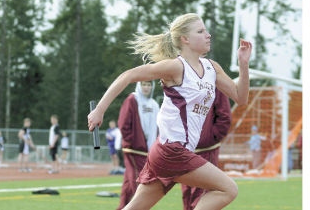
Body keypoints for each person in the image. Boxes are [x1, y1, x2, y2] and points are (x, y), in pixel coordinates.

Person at [88, 13, 252, 209]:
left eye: (206, 30)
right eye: (200, 31)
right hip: (171, 151)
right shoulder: (176, 67)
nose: (208, 35)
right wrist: (99, 109)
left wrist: (243, 64)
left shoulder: (211, 68)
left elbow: (240, 98)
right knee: (228, 189)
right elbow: (128, 75)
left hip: (169, 151)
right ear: (185, 39)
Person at [181, 88, 231, 210]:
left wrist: (210, 138)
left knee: (202, 194)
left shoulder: (215, 85)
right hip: (184, 150)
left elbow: (224, 116)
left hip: (206, 150)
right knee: (187, 193)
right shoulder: (184, 81)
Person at [116, 81, 160, 209]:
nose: (146, 87)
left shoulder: (154, 104)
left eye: (149, 85)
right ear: (139, 86)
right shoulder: (132, 99)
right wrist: (131, 141)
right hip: (134, 149)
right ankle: (139, 206)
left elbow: (158, 128)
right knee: (139, 180)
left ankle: (123, 207)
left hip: (147, 149)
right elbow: (123, 123)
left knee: (128, 183)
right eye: (144, 84)